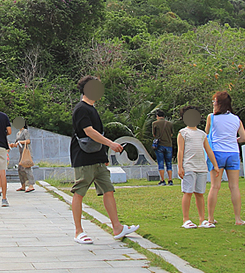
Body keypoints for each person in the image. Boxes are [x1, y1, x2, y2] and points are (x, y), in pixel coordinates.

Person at [70, 76, 139, 244]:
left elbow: (96, 136)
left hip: (97, 158)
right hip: (83, 158)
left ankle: (117, 227)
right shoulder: (81, 109)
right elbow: (89, 132)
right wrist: (111, 144)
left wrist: (104, 155)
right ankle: (78, 231)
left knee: (108, 190)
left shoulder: (92, 109)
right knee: (79, 193)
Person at [205, 91, 245, 226]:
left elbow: (207, 134)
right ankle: (238, 219)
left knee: (215, 186)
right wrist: (233, 139)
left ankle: (211, 218)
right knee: (234, 186)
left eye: (215, 101)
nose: (213, 104)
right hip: (233, 153)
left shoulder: (211, 117)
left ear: (219, 104)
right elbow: (244, 138)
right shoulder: (236, 119)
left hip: (217, 153)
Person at [177, 106, 219, 228]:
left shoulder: (202, 134)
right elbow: (180, 151)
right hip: (189, 166)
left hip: (201, 167)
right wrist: (180, 167)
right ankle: (186, 219)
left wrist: (215, 165)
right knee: (188, 192)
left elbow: (209, 150)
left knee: (200, 193)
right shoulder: (183, 133)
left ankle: (202, 220)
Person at [152, 109, 175, 185]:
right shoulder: (170, 124)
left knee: (161, 162)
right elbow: (172, 134)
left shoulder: (155, 123)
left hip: (160, 145)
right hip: (168, 145)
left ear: (157, 116)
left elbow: (154, 135)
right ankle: (170, 179)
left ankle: (162, 180)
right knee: (169, 162)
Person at [14, 121, 35, 192]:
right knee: (20, 169)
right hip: (21, 153)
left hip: (26, 152)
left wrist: (20, 142)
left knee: (27, 168)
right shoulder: (18, 133)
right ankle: (23, 185)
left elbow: (28, 141)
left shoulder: (25, 131)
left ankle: (31, 185)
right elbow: (16, 142)